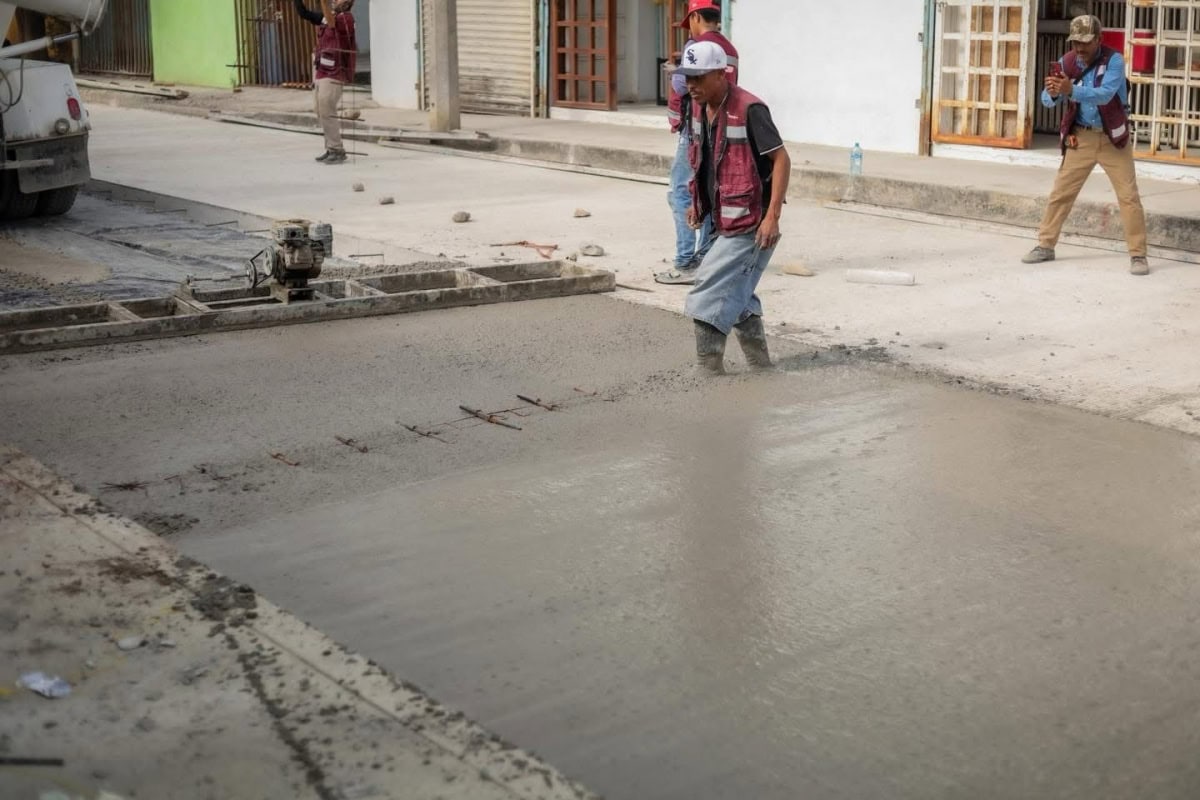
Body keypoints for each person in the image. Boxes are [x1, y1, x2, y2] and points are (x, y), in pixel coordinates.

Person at [676, 40, 790, 373]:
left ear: (720, 74)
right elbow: (704, 160)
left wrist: (772, 217)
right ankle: (760, 365)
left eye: (699, 78)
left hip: (751, 222)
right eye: (688, 78)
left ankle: (707, 368)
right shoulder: (698, 108)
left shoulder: (750, 109)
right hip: (720, 218)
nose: (691, 85)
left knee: (709, 286)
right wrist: (696, 201)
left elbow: (781, 159)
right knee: (738, 292)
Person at [1023, 14, 1149, 276]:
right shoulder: (1067, 62)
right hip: (1081, 137)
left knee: (1128, 197)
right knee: (1061, 193)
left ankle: (1138, 254)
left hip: (1113, 138)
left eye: (1085, 42)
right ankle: (1045, 245)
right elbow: (1047, 99)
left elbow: (1104, 95)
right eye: (1075, 42)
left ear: (1098, 39)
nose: (1079, 47)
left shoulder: (1114, 60)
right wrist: (1053, 92)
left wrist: (1070, 90)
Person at [655, 0, 739, 286]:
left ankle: (686, 261)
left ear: (695, 17)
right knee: (710, 192)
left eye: (689, 22)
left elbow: (684, 87)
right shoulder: (730, 49)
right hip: (721, 128)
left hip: (696, 130)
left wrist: (676, 72)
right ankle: (707, 260)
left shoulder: (697, 47)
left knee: (680, 192)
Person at [294, 0, 357, 165]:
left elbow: (332, 23)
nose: (335, 0)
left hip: (335, 73)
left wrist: (323, 2)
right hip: (322, 70)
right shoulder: (328, 16)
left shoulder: (346, 18)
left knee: (327, 110)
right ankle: (330, 148)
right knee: (320, 110)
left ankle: (337, 150)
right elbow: (304, 13)